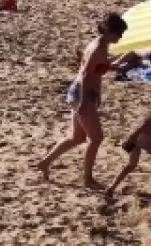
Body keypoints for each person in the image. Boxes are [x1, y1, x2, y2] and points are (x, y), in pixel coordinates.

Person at [36, 12, 128, 190]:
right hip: (81, 94)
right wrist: (85, 101)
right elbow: (86, 74)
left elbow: (94, 69)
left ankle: (45, 162)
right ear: (110, 31)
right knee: (96, 138)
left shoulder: (101, 44)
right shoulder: (98, 47)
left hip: (82, 92)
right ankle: (87, 179)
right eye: (119, 34)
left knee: (77, 137)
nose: (120, 37)